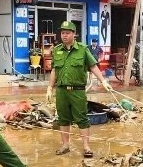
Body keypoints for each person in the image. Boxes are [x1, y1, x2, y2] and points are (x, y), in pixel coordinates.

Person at [47, 21, 112, 158]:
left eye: (67, 33)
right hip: (61, 91)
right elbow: (54, 70)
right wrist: (49, 87)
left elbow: (93, 66)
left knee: (82, 118)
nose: (64, 35)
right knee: (63, 118)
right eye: (62, 33)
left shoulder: (83, 49)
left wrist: (103, 81)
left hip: (77, 91)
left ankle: (86, 147)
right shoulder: (57, 50)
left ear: (74, 34)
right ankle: (65, 145)